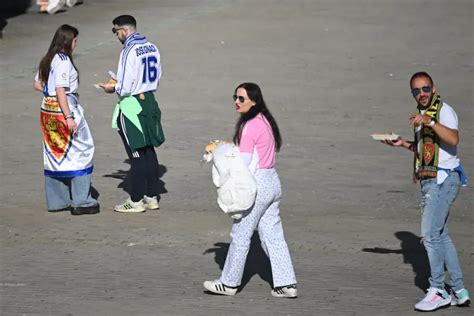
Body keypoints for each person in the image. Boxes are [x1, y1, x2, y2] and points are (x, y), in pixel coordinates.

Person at [381, 72, 470, 311]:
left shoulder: (442, 112)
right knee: (441, 235)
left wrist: (429, 122)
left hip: (442, 180)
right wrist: (403, 144)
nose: (421, 94)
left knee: (430, 236)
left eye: (425, 89)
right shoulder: (423, 116)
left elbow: (453, 138)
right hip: (432, 179)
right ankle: (460, 291)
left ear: (433, 88)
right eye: (416, 91)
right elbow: (427, 151)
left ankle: (438, 289)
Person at [203, 83, 297, 298]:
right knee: (273, 236)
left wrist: (218, 151)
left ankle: (228, 283)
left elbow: (243, 162)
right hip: (272, 182)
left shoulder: (249, 125)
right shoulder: (265, 121)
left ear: (254, 101)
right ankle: (286, 284)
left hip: (258, 185)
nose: (237, 102)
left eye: (241, 98)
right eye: (234, 97)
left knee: (240, 235)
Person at [98, 15, 165, 213]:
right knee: (149, 151)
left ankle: (135, 200)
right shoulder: (152, 46)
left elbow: (125, 87)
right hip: (149, 101)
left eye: (115, 31)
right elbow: (157, 76)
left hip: (132, 106)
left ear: (124, 30)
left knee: (136, 155)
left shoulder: (129, 50)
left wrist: (112, 87)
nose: (116, 35)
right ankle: (152, 196)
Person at [34, 24, 99, 215]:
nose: (76, 44)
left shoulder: (47, 59)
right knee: (82, 150)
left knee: (54, 153)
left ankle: (57, 199)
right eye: (75, 40)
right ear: (69, 41)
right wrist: (69, 116)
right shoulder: (63, 61)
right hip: (64, 110)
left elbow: (37, 84)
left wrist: (49, 91)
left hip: (47, 110)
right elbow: (61, 90)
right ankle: (81, 200)